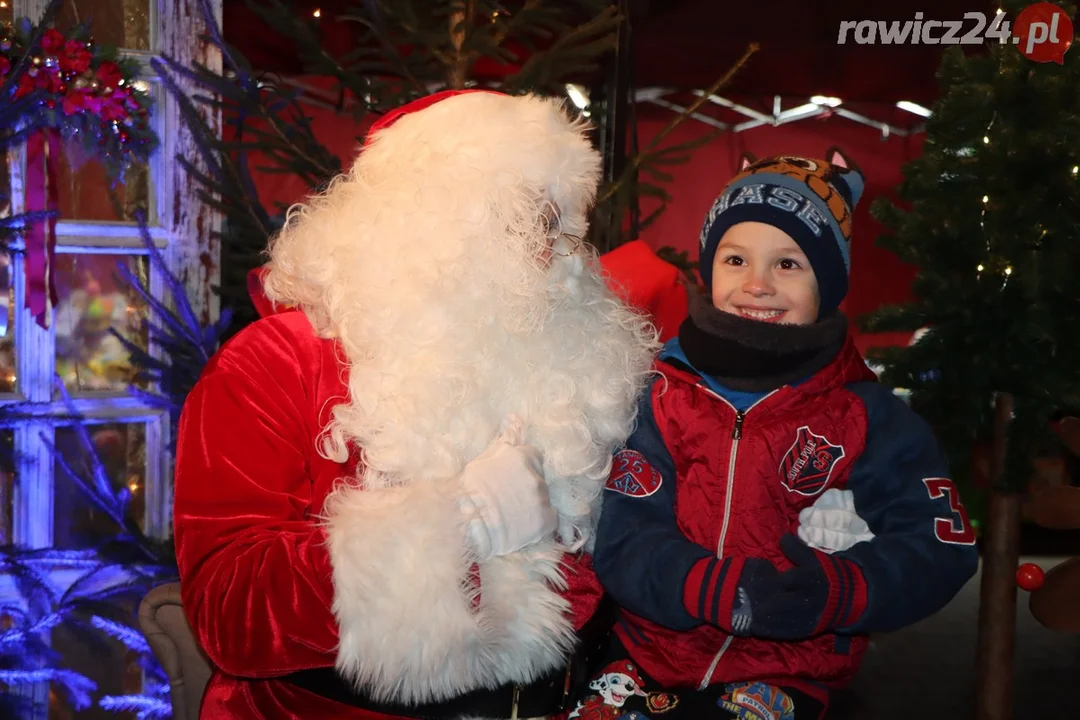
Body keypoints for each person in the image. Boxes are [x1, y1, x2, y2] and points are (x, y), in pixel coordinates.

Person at [172, 89, 665, 719]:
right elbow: (230, 610)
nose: (552, 252)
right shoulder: (276, 362)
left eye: (559, 223)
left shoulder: (577, 366)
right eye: (524, 219)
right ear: (438, 218)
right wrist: (458, 523)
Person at [580, 152, 980, 719]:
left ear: (829, 283)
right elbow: (623, 535)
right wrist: (708, 586)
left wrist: (843, 589)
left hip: (785, 673)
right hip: (645, 661)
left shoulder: (865, 414)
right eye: (736, 258)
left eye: (788, 264)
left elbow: (941, 546)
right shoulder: (660, 394)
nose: (757, 284)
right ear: (709, 267)